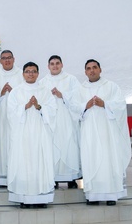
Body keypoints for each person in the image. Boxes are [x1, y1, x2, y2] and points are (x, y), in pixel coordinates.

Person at [72, 59, 131, 206]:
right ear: (85, 72)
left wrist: (105, 104)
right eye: (88, 68)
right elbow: (73, 108)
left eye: (94, 67)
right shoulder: (80, 89)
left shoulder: (111, 87)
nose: (91, 70)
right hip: (89, 132)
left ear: (100, 69)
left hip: (108, 133)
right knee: (91, 159)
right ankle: (93, 195)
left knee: (108, 159)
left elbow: (121, 106)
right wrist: (84, 106)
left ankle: (111, 195)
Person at [7, 62, 56, 209]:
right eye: (28, 71)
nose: (30, 74)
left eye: (33, 71)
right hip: (23, 134)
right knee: (24, 161)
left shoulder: (45, 91)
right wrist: (25, 106)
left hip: (40, 133)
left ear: (38, 73)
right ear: (23, 74)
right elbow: (11, 113)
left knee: (40, 161)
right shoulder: (16, 91)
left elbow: (53, 110)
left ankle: (41, 198)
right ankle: (24, 198)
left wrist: (39, 106)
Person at [39, 55, 82, 189]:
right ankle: (54, 178)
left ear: (62, 65)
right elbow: (39, 99)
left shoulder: (71, 79)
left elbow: (78, 96)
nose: (55, 66)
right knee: (52, 146)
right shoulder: (43, 82)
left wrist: (62, 95)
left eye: (57, 63)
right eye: (52, 64)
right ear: (48, 66)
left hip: (67, 119)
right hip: (51, 121)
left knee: (69, 145)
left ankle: (71, 178)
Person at [0, 50, 24, 187]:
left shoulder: (22, 74)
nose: (7, 60)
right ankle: (3, 177)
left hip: (18, 118)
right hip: (2, 118)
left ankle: (18, 175)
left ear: (14, 59)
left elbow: (26, 92)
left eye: (9, 58)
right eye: (4, 58)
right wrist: (1, 92)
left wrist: (14, 90)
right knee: (3, 143)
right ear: (0, 61)